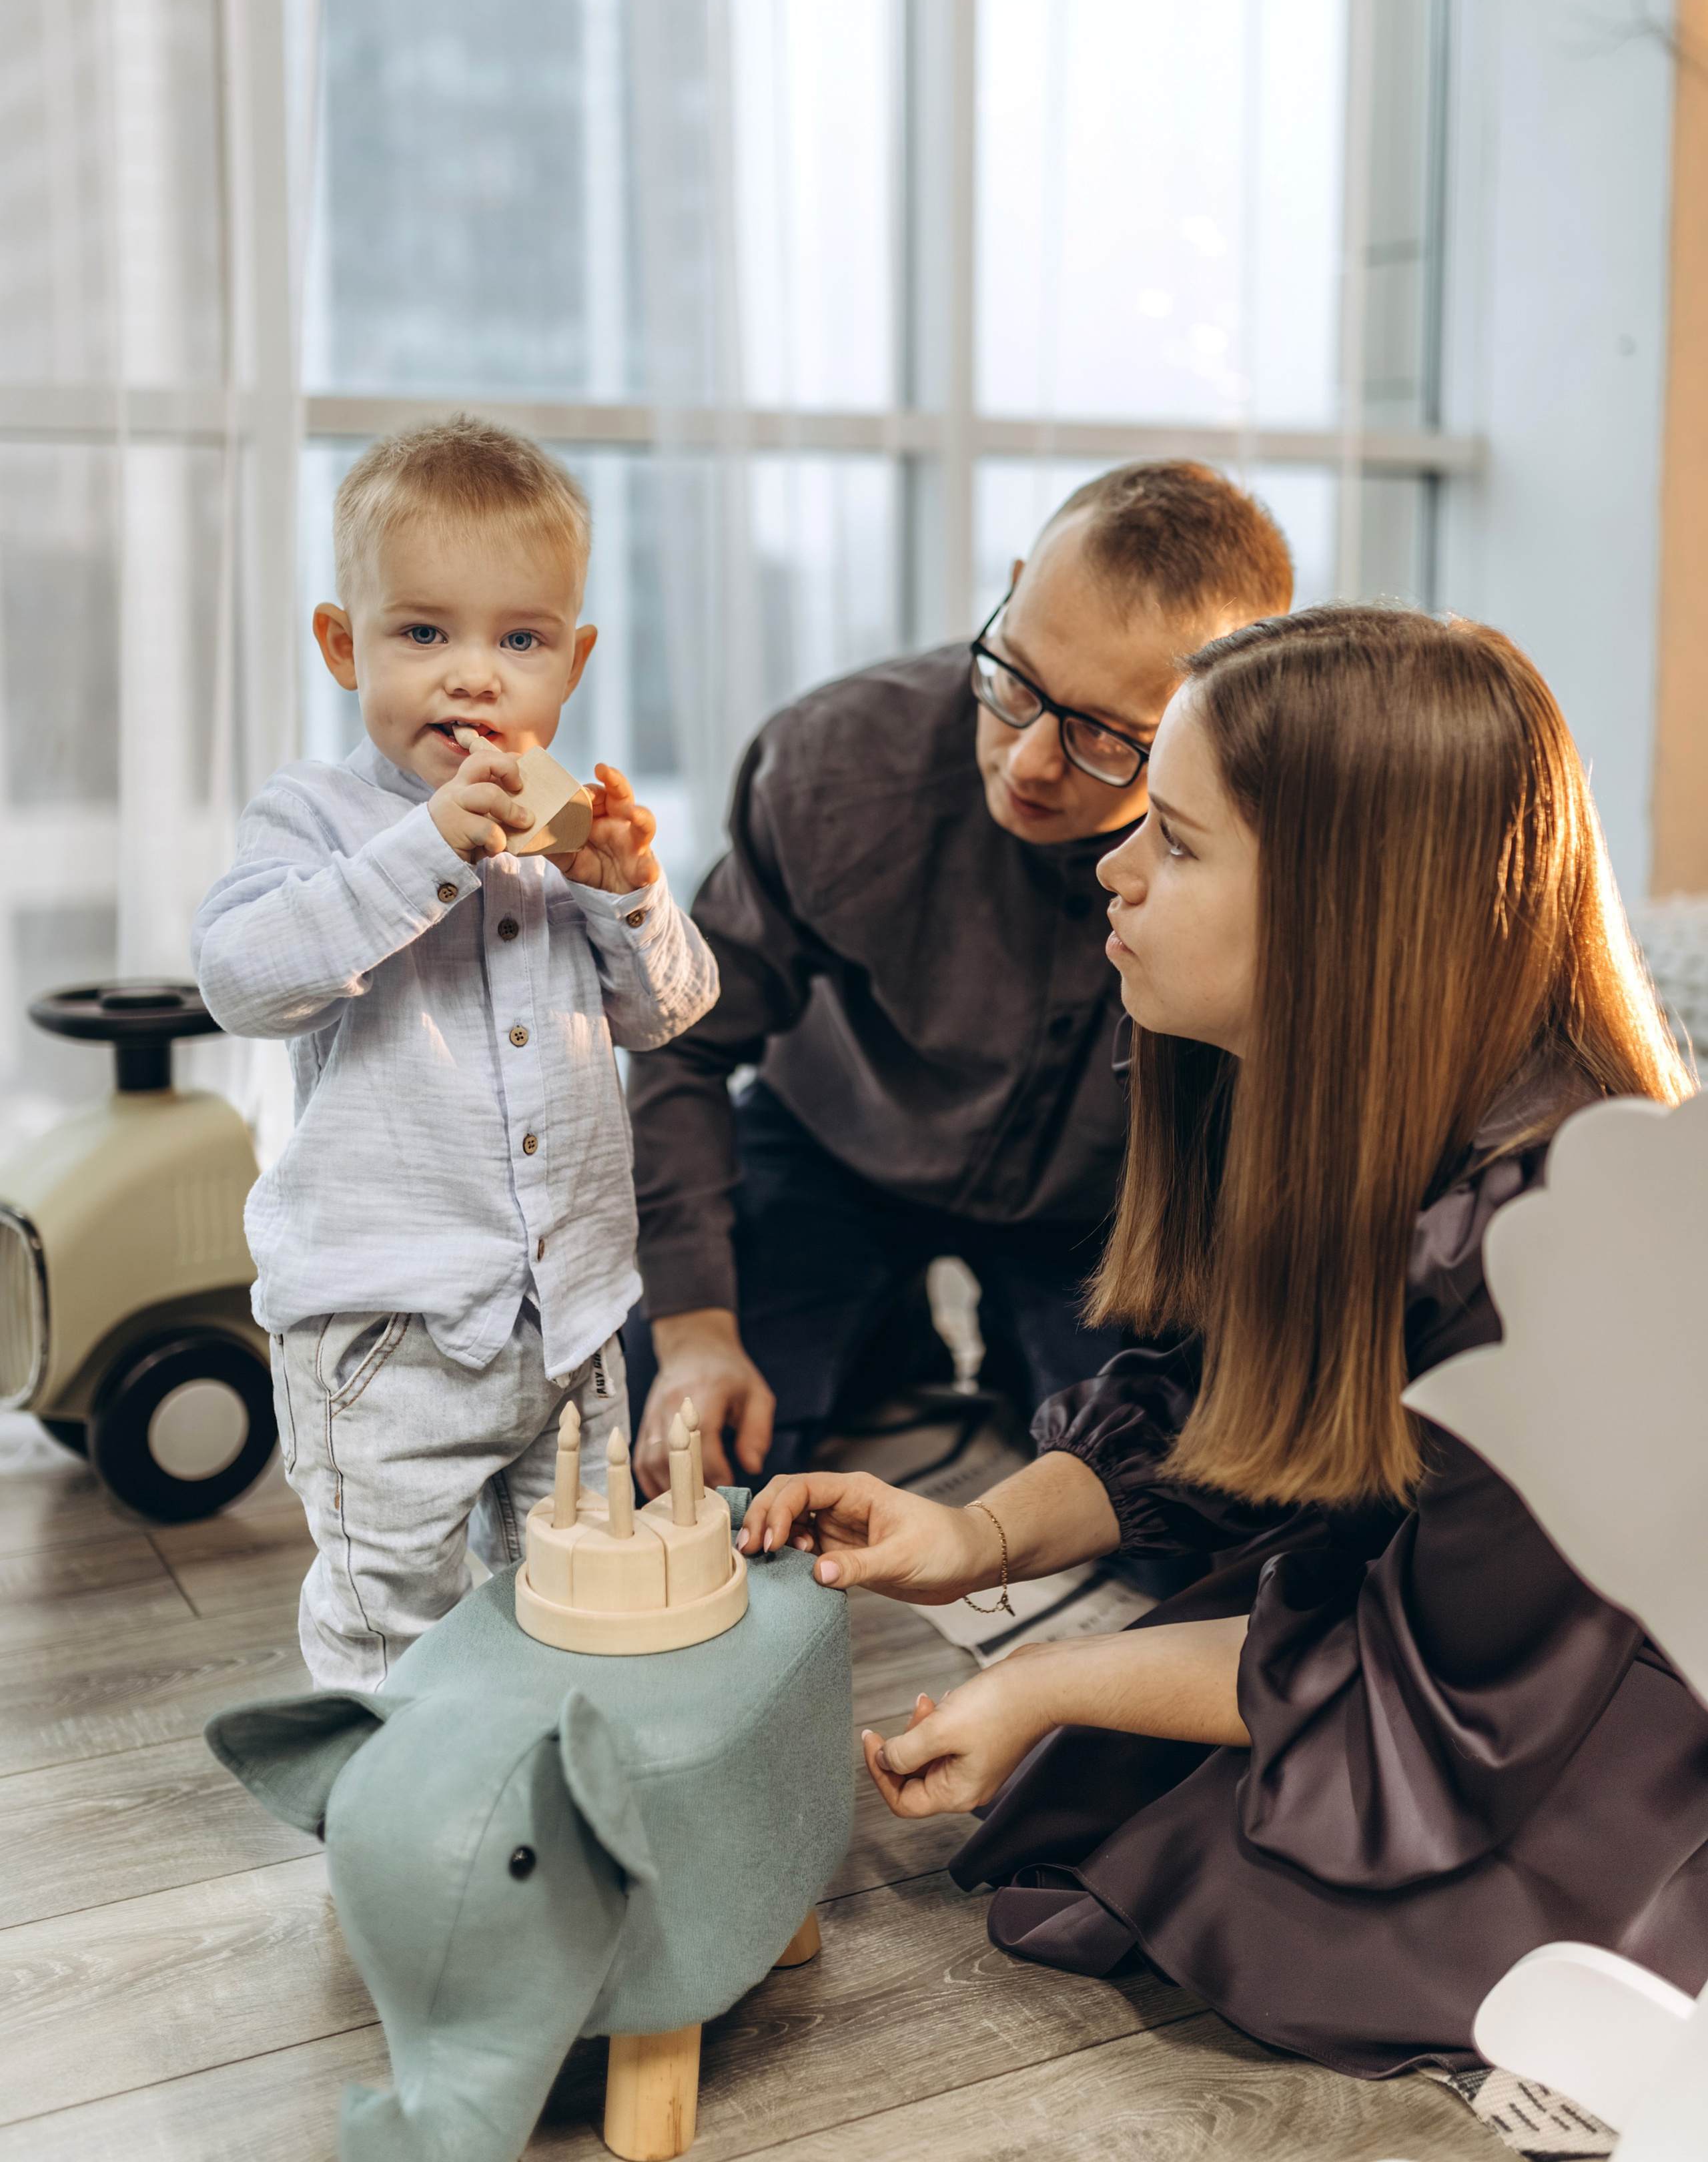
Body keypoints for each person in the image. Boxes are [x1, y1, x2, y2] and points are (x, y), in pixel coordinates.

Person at [742, 605, 1707, 2077]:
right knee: (1110, 1818)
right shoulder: (1338, 1101)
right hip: (1434, 1625)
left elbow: (1446, 1692)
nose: (1108, 870)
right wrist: (974, 1538)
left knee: (1275, 1927)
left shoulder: (1551, 1251)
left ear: (1347, 907)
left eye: (1175, 845)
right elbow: (1227, 1406)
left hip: (1554, 1709)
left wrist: (1046, 1681)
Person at [625, 462, 1294, 1496]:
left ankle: (958, 1359)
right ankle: (883, 1340)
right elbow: (686, 1042)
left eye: (1108, 736)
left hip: (1110, 1206)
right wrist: (696, 1332)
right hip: (830, 1148)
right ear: (1016, 584)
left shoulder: (1270, 843)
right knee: (674, 1449)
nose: (1029, 762)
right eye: (1017, 680)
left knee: (1184, 1509)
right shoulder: (833, 763)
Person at [193, 416, 717, 1688]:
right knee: (394, 1623)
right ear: (344, 644)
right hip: (387, 1338)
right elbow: (240, 980)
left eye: (520, 640)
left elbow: (674, 1013)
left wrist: (628, 894)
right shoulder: (313, 818)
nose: (474, 677)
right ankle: (397, 1844)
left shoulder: (576, 837)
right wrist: (426, 850)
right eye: (423, 632)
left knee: (574, 1591)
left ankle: (538, 1807)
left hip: (574, 1321)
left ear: (573, 662)